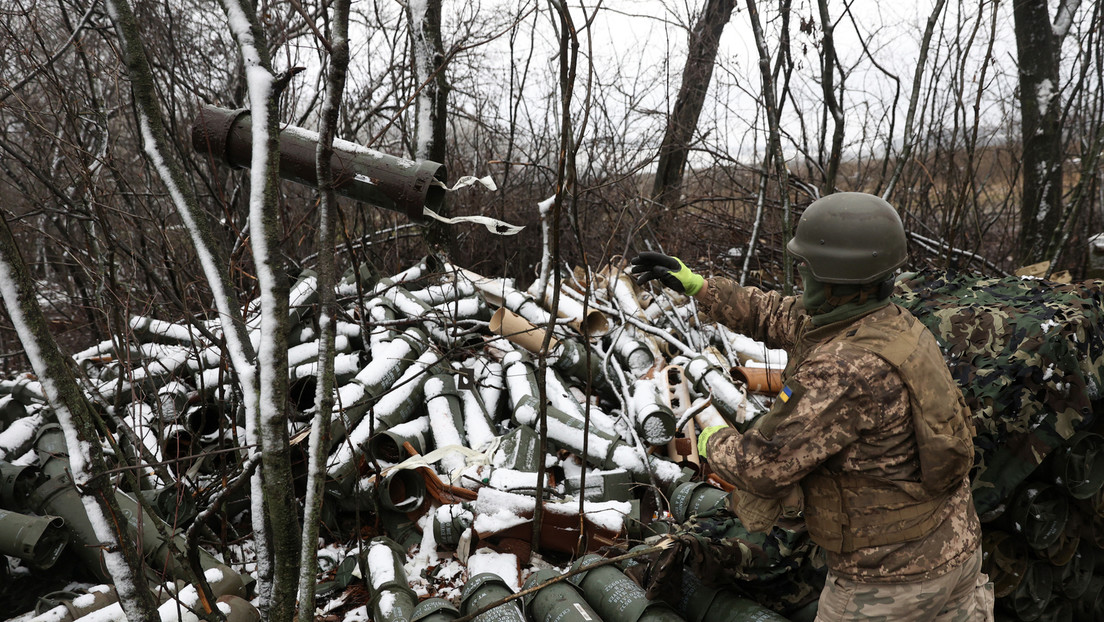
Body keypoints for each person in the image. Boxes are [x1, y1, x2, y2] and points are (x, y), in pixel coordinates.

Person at [630, 192, 995, 621]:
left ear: (833, 276)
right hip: (956, 548)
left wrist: (712, 439)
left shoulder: (844, 368)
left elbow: (762, 466)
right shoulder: (890, 322)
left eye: (805, 265)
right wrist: (699, 286)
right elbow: (777, 315)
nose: (799, 271)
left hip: (889, 583)